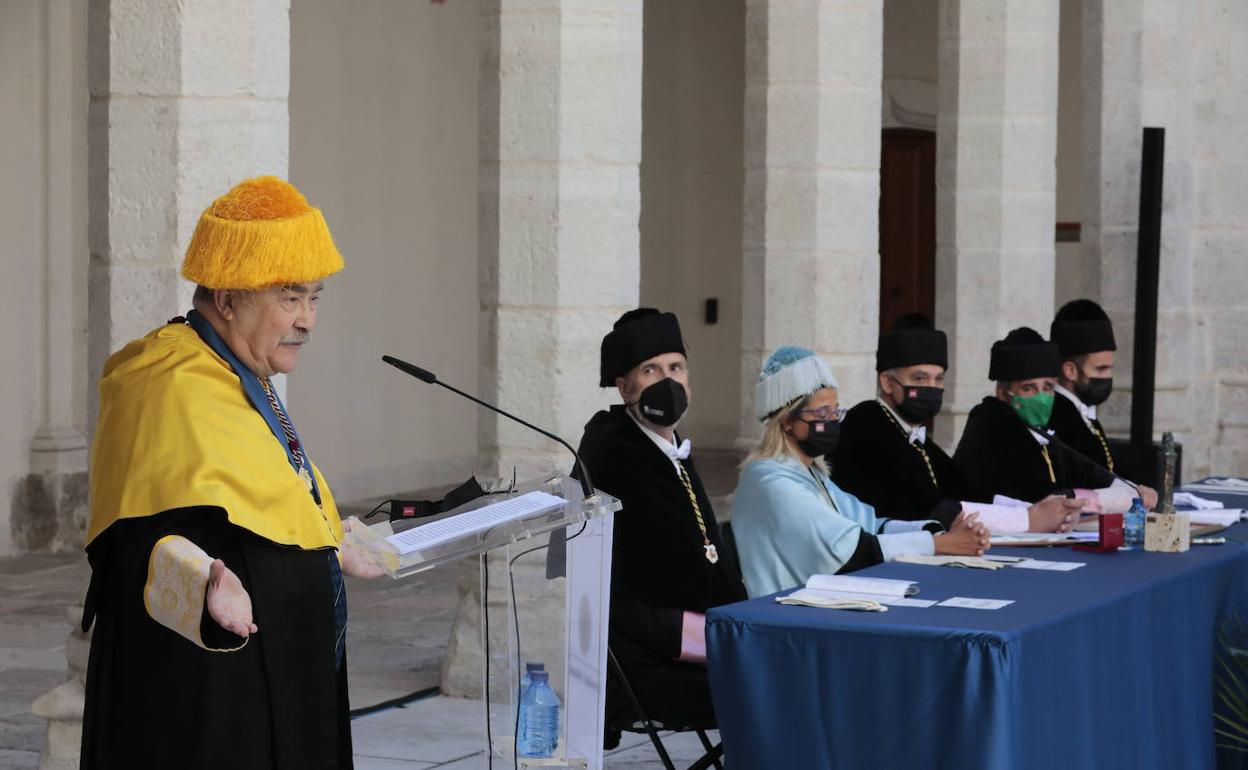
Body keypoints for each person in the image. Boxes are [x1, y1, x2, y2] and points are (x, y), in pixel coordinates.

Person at [80, 177, 382, 770]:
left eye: (315, 298)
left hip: (288, 664)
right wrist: (207, 578)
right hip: (210, 689)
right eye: (289, 299)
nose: (308, 321)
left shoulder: (240, 372)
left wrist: (326, 538)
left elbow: (268, 492)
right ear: (227, 298)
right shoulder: (166, 379)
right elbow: (132, 536)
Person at [575, 309, 747, 739]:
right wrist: (729, 635)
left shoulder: (668, 448)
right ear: (623, 385)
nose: (667, 381)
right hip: (656, 658)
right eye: (650, 370)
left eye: (675, 367)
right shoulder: (617, 454)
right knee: (794, 678)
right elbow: (649, 580)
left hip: (700, 636)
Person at [732, 347, 990, 598]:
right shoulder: (769, 479)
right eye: (822, 413)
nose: (832, 421)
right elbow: (848, 550)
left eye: (835, 411)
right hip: (781, 612)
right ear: (787, 420)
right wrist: (940, 545)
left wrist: (937, 530)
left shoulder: (810, 471)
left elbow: (870, 524)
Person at [833, 314, 1083, 533]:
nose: (931, 388)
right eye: (920, 378)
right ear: (888, 383)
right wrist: (1028, 519)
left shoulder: (910, 431)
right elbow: (934, 509)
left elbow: (966, 490)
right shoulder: (868, 422)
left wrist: (1040, 510)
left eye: (938, 379)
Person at [953, 327, 1157, 513]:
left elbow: (1086, 471)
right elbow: (1035, 497)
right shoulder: (992, 425)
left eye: (1048, 387)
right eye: (1028, 388)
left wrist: (1130, 488)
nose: (1042, 397)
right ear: (1004, 394)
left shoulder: (1039, 429)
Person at [1049, 298, 1121, 471]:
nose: (1108, 376)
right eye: (1101, 369)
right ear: (1070, 371)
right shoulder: (1058, 418)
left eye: (1110, 368)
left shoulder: (1084, 414)